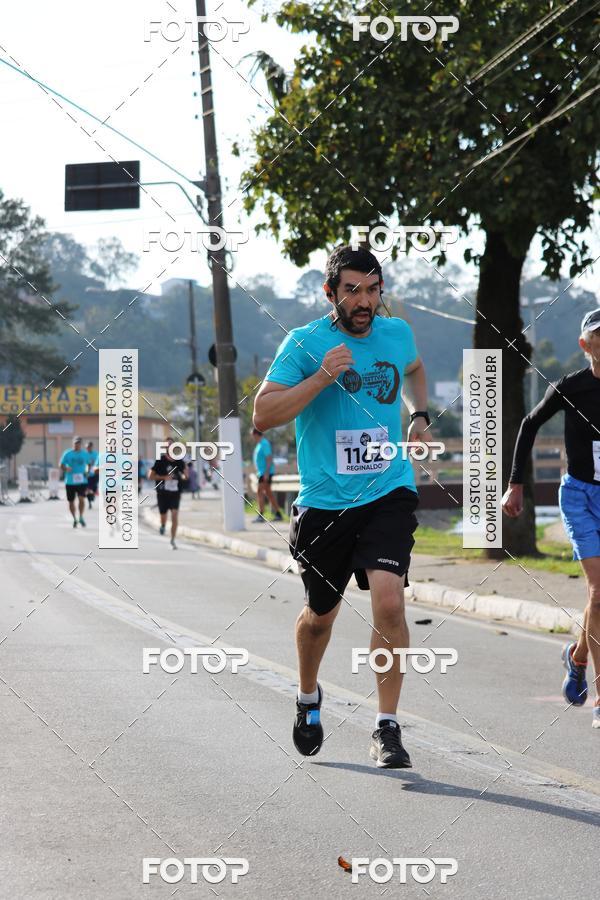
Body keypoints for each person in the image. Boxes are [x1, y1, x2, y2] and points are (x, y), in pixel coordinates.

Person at [253, 245, 430, 768]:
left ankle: (387, 727)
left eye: (372, 290)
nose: (364, 301)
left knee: (390, 603)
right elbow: (263, 413)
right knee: (319, 618)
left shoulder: (396, 333)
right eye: (352, 290)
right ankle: (308, 696)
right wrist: (320, 378)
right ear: (330, 292)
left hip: (388, 490)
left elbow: (415, 368)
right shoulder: (305, 343)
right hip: (326, 503)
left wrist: (418, 414)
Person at [503, 308, 600, 729]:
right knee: (599, 590)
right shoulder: (570, 387)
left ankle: (577, 658)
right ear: (585, 345)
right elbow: (529, 424)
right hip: (579, 496)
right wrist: (515, 484)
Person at [149, 438, 187, 549]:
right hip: (162, 493)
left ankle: (172, 540)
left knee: (174, 515)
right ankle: (163, 525)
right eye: (167, 445)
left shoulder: (180, 461)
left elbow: (185, 475)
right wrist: (164, 477)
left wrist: (183, 476)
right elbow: (150, 476)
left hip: (175, 493)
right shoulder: (160, 461)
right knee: (163, 515)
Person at [250, 427, 283, 522]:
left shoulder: (264, 443)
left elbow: (269, 458)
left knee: (259, 491)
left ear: (256, 434)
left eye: (252, 435)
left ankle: (261, 515)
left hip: (265, 473)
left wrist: (266, 473)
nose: (252, 437)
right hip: (262, 472)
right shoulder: (260, 444)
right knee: (268, 493)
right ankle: (278, 514)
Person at [60, 436, 90, 528]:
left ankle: (81, 517)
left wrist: (87, 471)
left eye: (78, 443)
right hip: (70, 482)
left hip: (82, 481)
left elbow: (88, 464)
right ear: (73, 443)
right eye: (75, 443)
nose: (77, 445)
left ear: (81, 444)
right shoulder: (67, 453)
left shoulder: (85, 454)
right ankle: (74, 519)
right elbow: (61, 465)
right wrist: (66, 468)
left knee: (81, 499)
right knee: (71, 502)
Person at [85, 441, 99, 510]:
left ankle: (93, 494)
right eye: (87, 447)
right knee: (87, 488)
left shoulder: (96, 454)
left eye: (89, 447)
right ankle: (89, 502)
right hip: (87, 474)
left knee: (93, 488)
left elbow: (98, 463)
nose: (88, 448)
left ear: (92, 447)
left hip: (95, 474)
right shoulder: (84, 454)